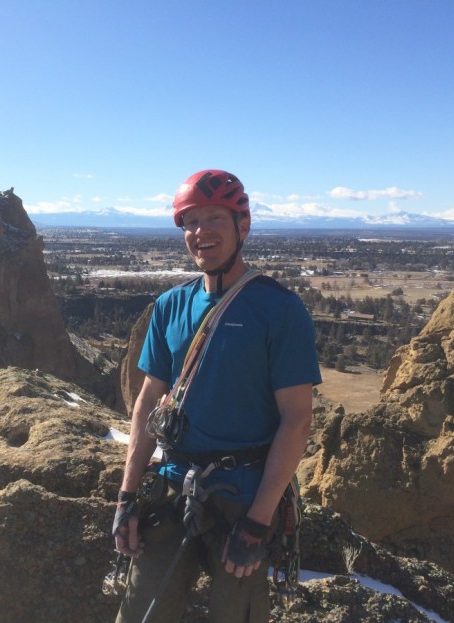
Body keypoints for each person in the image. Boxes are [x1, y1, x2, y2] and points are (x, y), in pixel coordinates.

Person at [112, 169, 322, 622]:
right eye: (190, 222)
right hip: (173, 488)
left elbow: (297, 419)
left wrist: (258, 520)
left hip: (244, 495)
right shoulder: (171, 306)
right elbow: (149, 402)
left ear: (242, 226)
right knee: (141, 614)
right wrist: (127, 497)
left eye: (214, 220)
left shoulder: (279, 310)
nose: (200, 233)